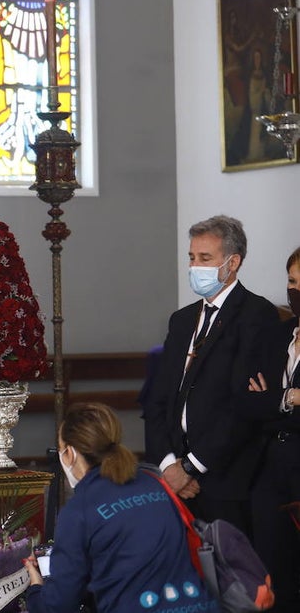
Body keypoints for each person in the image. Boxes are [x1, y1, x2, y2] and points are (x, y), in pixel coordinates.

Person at [143, 215, 278, 533]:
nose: (195, 266)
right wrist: (169, 465)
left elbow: (244, 406)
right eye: (192, 257)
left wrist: (191, 466)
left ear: (232, 263)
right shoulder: (181, 320)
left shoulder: (257, 316)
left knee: (230, 576)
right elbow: (158, 398)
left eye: (205, 258)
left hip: (226, 480)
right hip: (174, 477)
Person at [24, 403, 217, 613]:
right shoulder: (154, 483)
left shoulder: (79, 510)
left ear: (69, 454)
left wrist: (36, 588)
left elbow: (59, 605)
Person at [239, 246, 300, 608]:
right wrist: (291, 398)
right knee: (273, 573)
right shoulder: (279, 333)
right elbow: (250, 401)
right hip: (268, 469)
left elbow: (267, 400)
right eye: (292, 282)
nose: (295, 291)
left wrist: (276, 398)